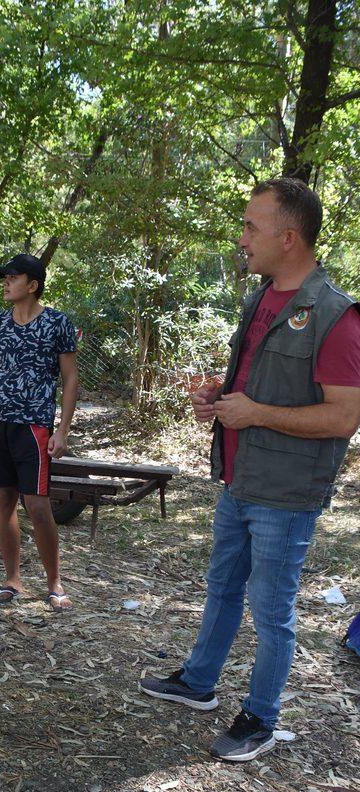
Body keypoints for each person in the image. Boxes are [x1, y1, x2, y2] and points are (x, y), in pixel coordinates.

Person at [140, 178, 360, 761]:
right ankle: (198, 683)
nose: (241, 238)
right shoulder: (259, 299)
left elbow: (343, 418)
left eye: (250, 227)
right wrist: (218, 396)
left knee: (270, 610)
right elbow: (254, 385)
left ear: (289, 238)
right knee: (222, 587)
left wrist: (255, 411)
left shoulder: (335, 316)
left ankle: (260, 717)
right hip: (239, 479)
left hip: (286, 492)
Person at [0, 253, 79, 611]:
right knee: (4, 502)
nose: (6, 283)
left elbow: (71, 378)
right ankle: (12, 580)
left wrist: (62, 431)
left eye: (13, 278)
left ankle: (54, 582)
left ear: (33, 285)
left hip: (34, 426)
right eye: (4, 278)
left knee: (39, 505)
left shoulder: (58, 323)